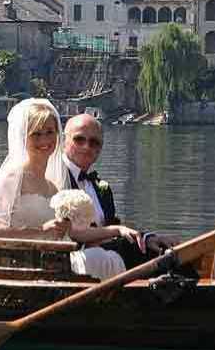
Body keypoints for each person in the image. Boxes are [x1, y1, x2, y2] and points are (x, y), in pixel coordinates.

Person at [49, 113, 179, 269]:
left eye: (94, 143)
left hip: (109, 255)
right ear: (64, 141)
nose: (87, 146)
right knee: (158, 257)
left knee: (166, 251)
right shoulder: (52, 179)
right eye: (79, 139)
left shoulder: (101, 187)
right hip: (73, 261)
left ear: (100, 148)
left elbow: (112, 228)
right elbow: (67, 232)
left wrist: (145, 238)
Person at [0, 98, 67, 239]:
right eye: (36, 134)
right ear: (23, 137)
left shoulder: (52, 188)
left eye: (50, 132)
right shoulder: (13, 179)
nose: (44, 140)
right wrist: (41, 231)